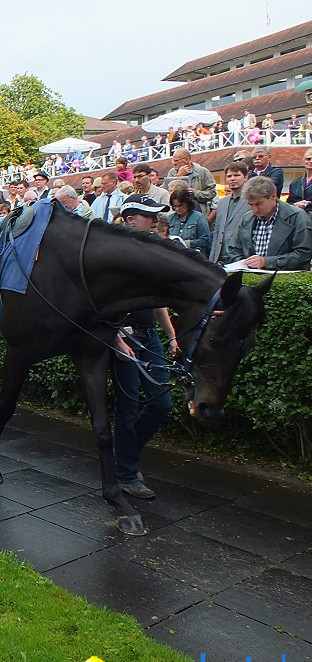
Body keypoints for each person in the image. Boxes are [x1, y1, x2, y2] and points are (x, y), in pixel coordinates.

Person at [111, 195, 180, 500]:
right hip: (124, 335)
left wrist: (172, 334)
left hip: (147, 334)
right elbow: (102, 303)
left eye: (156, 216)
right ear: (129, 220)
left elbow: (157, 301)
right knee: (127, 409)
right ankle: (126, 474)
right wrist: (116, 339)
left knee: (161, 402)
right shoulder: (114, 257)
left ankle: (124, 454)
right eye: (148, 215)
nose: (155, 220)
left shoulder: (151, 252)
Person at [228, 176, 312, 270]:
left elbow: (303, 254)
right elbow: (234, 249)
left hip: (284, 278)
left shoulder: (297, 217)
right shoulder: (247, 218)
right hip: (250, 277)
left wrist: (267, 262)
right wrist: (245, 264)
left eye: (259, 204)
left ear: (273, 196)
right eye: (251, 205)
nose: (255, 209)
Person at [208, 162, 251, 265]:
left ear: (245, 177)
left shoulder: (251, 201)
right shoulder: (222, 202)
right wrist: (211, 260)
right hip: (219, 258)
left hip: (241, 257)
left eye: (236, 175)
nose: (232, 179)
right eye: (229, 176)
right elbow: (217, 232)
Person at [167, 189, 210, 255]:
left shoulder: (199, 217)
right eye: (175, 206)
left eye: (180, 205)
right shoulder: (170, 218)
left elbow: (206, 240)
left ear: (187, 203)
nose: (177, 209)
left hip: (193, 255)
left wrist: (186, 243)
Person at [287, 148, 312, 216]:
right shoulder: (295, 183)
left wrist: (308, 204)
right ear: (303, 161)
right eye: (308, 159)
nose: (311, 161)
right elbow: (288, 203)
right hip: (296, 218)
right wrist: (296, 204)